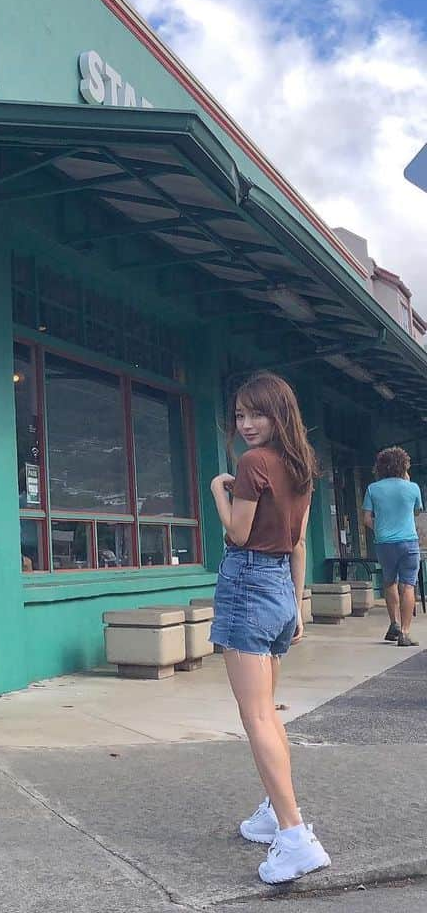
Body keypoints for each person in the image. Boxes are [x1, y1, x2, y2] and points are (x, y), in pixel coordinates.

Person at [209, 371, 331, 885]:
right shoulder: (299, 467)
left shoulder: (252, 463)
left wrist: (219, 488)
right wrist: (297, 606)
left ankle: (294, 835)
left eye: (257, 413)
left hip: (248, 584)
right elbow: (298, 541)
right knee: (269, 714)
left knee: (256, 715)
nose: (247, 424)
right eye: (240, 415)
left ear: (279, 414)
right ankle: (271, 810)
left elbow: (237, 533)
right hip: (280, 587)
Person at [363, 446, 423, 647]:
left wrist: (380, 529)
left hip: (384, 543)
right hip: (408, 542)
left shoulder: (373, 489)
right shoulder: (413, 488)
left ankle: (394, 623)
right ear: (404, 465)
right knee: (408, 585)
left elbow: (366, 519)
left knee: (389, 581)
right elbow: (416, 512)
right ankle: (405, 633)